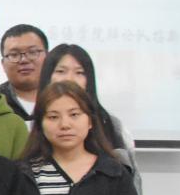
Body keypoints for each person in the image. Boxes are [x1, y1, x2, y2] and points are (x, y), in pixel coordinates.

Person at [39, 44, 139, 181]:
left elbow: (133, 181)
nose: (70, 79)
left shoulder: (112, 125)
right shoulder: (32, 124)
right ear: (47, 77)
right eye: (61, 71)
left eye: (79, 73)